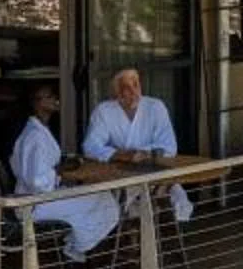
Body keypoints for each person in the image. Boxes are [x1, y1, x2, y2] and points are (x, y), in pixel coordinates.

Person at [11, 83, 117, 261]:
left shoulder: (38, 131)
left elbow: (22, 165)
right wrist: (59, 171)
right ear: (37, 103)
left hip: (39, 197)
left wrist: (59, 170)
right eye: (50, 96)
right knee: (102, 200)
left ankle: (78, 242)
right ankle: (76, 246)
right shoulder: (34, 137)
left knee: (103, 196)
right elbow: (36, 181)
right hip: (35, 203)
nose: (55, 100)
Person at [82, 66, 194, 224]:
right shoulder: (104, 111)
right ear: (117, 93)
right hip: (120, 178)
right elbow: (90, 147)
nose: (133, 92)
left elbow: (169, 146)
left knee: (172, 196)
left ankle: (154, 212)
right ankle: (133, 230)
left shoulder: (155, 107)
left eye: (136, 84)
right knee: (118, 204)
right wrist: (123, 155)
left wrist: (143, 154)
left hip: (154, 173)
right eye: (126, 87)